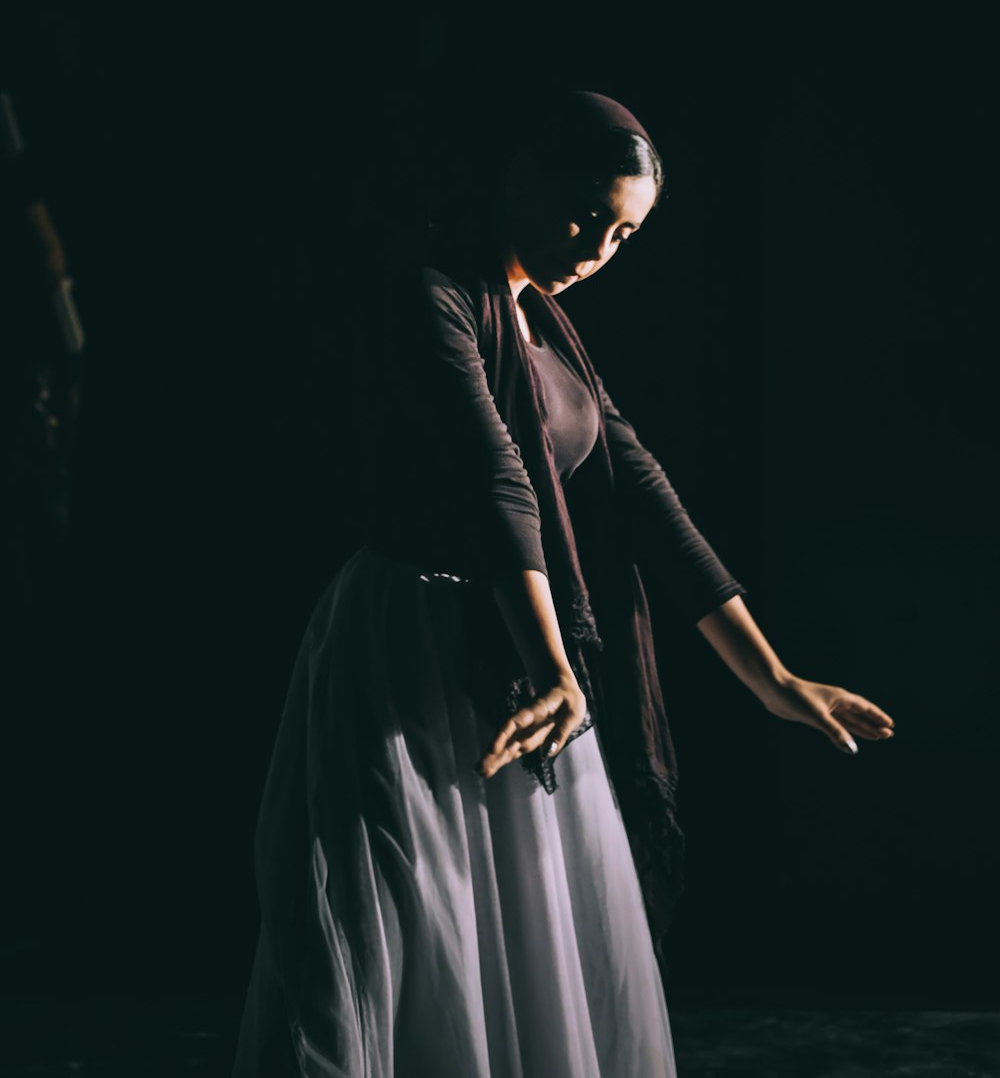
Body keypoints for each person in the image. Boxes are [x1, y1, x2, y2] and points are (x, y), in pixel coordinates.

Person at [231, 89, 895, 1078]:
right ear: (521, 179)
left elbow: (642, 495)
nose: (597, 249)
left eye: (623, 234)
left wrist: (772, 679)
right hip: (417, 632)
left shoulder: (551, 333)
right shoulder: (434, 292)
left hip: (522, 653)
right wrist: (553, 666)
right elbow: (491, 476)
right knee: (408, 926)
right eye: (588, 214)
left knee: (530, 936)